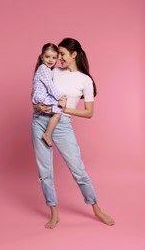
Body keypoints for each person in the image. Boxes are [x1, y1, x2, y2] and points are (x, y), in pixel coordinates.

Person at [31, 38, 115, 229]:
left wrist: (64, 109)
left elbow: (89, 113)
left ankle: (96, 209)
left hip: (62, 124)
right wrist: (35, 105)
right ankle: (54, 213)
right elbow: (38, 87)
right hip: (38, 121)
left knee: (78, 170)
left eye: (62, 54)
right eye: (57, 54)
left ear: (74, 54)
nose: (58, 58)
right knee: (45, 172)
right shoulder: (52, 69)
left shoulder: (85, 80)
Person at [32, 43, 65, 147]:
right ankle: (48, 134)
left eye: (54, 58)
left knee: (56, 111)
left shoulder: (45, 69)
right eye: (47, 57)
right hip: (42, 97)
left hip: (40, 97)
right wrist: (60, 96)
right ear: (42, 57)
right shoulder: (44, 69)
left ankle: (48, 133)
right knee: (59, 111)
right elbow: (50, 86)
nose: (50, 60)